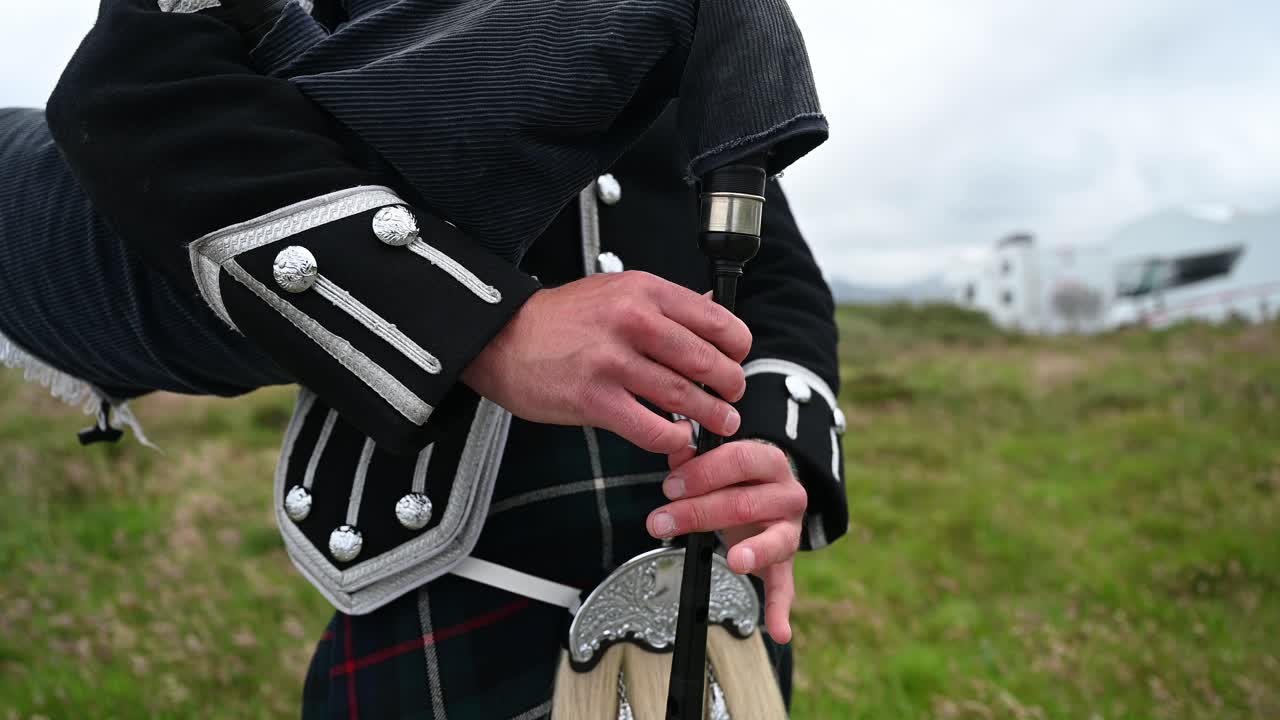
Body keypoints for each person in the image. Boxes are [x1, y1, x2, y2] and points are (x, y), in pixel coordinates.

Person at [0, 0, 847, 716]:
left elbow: (776, 271)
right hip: (441, 569)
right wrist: (490, 328)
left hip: (708, 591)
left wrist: (774, 452)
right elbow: (150, 96)